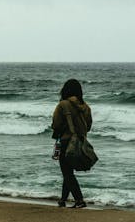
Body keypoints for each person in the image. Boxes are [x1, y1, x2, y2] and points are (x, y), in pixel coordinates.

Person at [51, 79, 92, 208]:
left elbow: (56, 124)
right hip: (79, 143)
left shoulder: (63, 105)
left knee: (67, 173)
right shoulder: (86, 107)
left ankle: (79, 200)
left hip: (65, 142)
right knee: (68, 172)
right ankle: (62, 200)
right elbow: (89, 126)